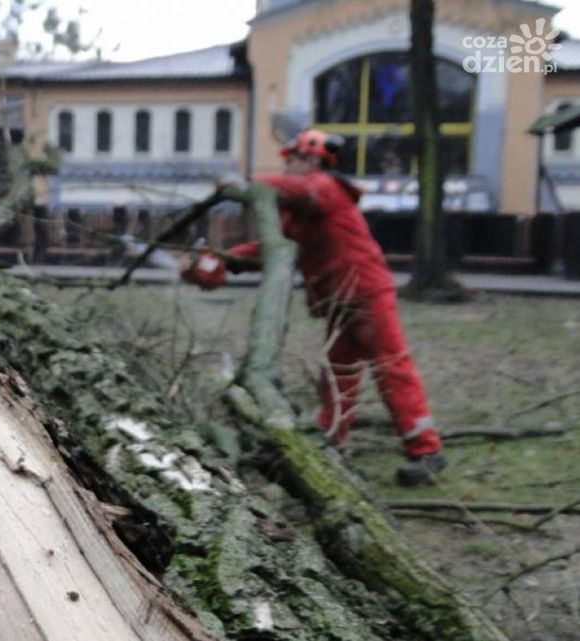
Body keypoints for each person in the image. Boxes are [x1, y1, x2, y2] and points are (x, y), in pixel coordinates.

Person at [181, 129, 446, 486]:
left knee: (391, 367)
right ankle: (332, 438)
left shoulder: (324, 188)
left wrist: (245, 183)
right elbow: (272, 248)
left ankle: (426, 450)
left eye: (291, 161)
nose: (286, 168)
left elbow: (293, 190)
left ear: (310, 160)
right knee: (339, 373)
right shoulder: (302, 215)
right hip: (341, 301)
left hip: (364, 293)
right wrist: (220, 261)